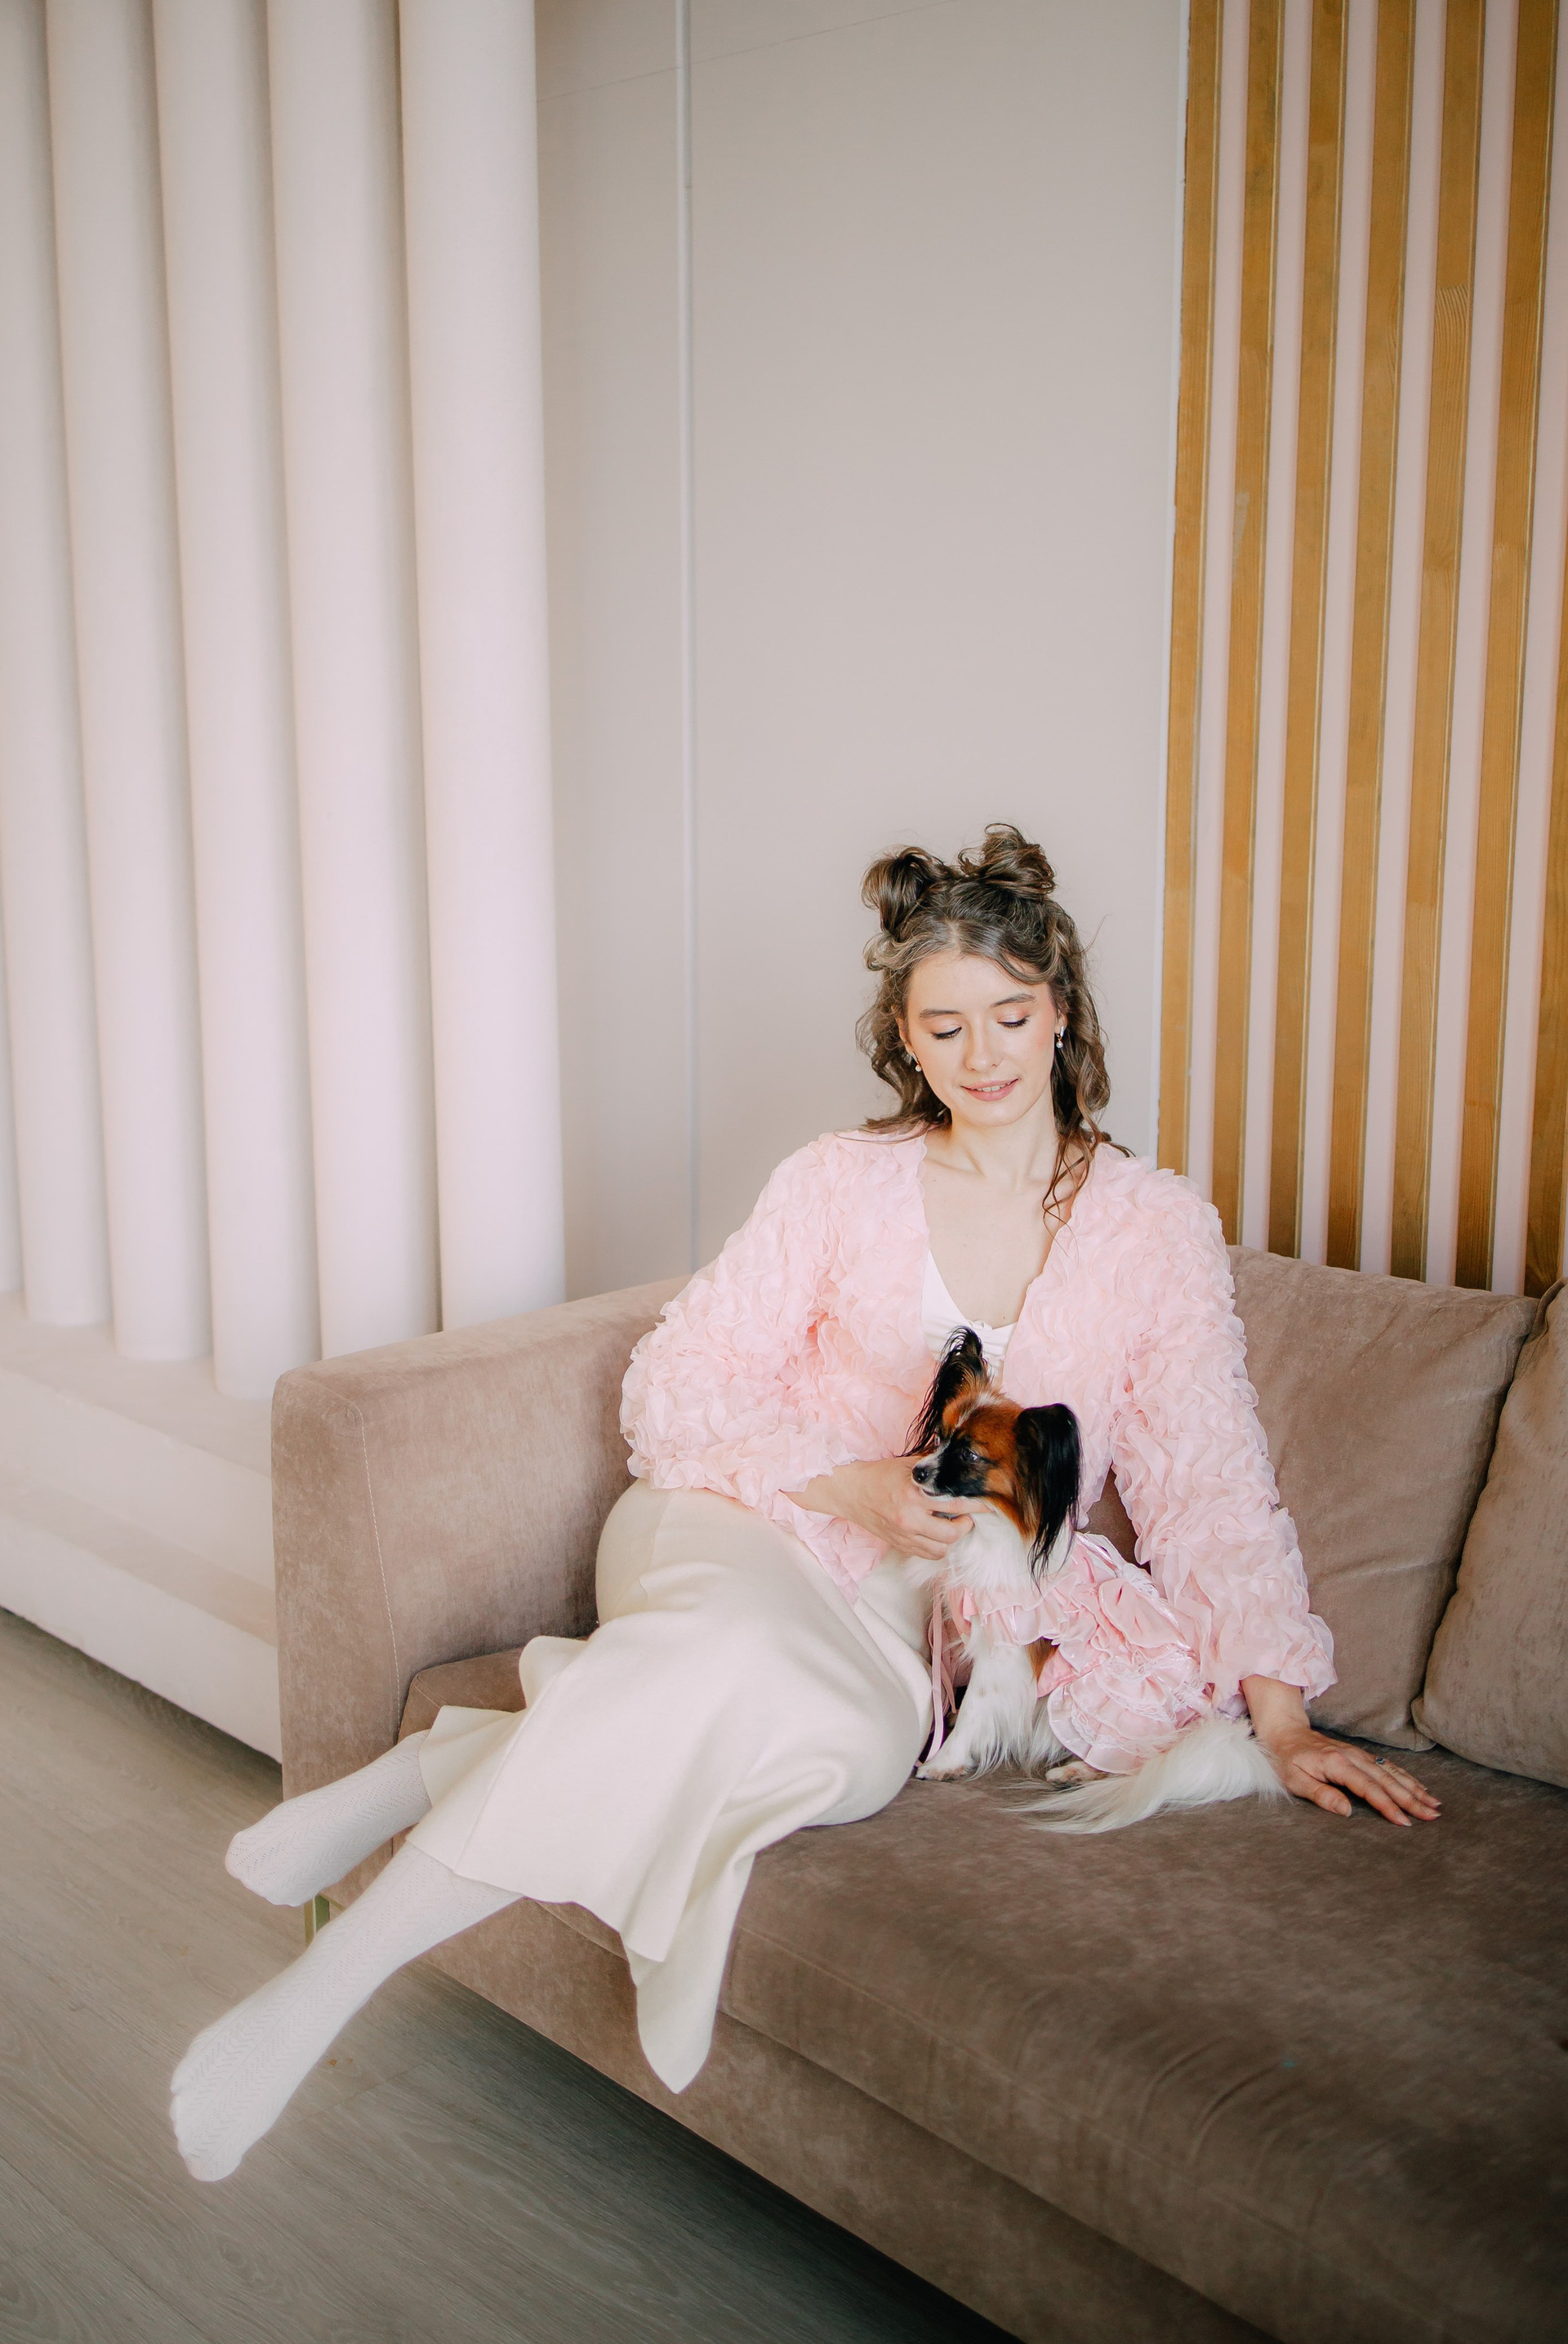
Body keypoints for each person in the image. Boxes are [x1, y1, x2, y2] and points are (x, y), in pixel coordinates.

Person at [172, 824, 1438, 2182]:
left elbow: (1210, 1478)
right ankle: (323, 1991)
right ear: (905, 1038)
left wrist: (1280, 1719)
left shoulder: (1155, 1229)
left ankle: (439, 1764)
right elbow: (676, 1382)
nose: (984, 1055)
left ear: (1062, 1008)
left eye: (1011, 1015)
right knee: (724, 1655)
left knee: (848, 1749)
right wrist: (852, 1485)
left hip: (903, 1628)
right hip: (747, 1519)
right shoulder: (841, 1181)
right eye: (944, 1026)